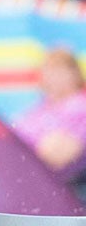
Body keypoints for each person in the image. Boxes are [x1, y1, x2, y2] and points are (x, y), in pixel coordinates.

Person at [12, 45, 86, 188]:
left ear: (74, 75)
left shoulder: (80, 107)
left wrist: (24, 158)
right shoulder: (38, 110)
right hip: (31, 179)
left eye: (59, 70)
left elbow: (61, 155)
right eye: (48, 70)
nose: (52, 76)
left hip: (66, 187)